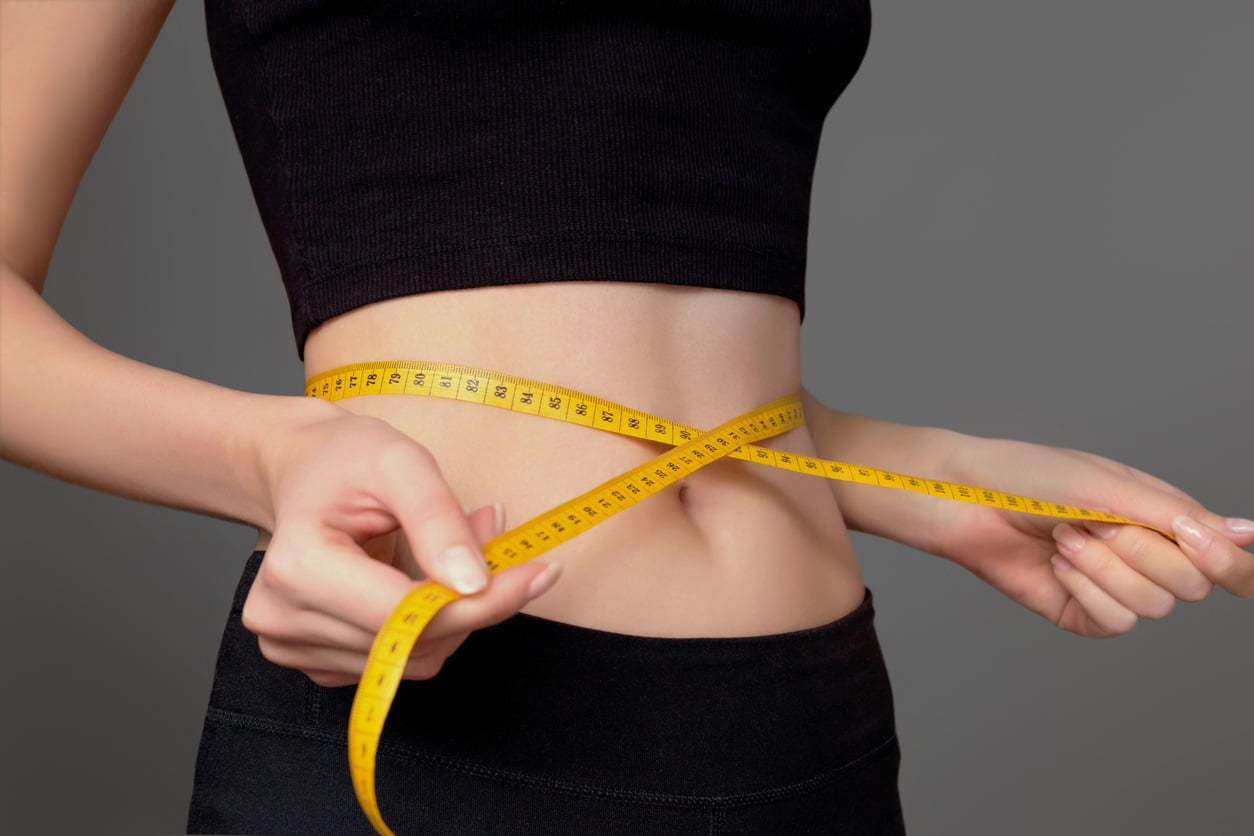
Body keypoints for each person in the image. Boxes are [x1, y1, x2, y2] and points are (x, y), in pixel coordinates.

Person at [2, 1, 1250, 834]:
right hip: (443, 723)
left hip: (806, 732)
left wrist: (942, 471)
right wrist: (269, 458)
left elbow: (654, 325)